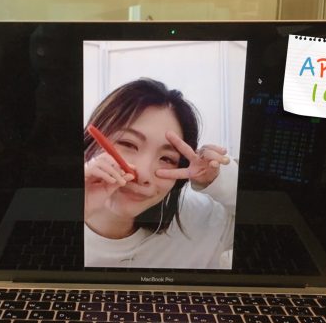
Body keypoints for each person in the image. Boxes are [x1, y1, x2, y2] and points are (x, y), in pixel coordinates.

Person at [83, 78, 237, 269]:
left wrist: (217, 181)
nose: (143, 175)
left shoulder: (199, 221)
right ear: (90, 143)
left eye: (167, 159)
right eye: (128, 144)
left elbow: (268, 220)